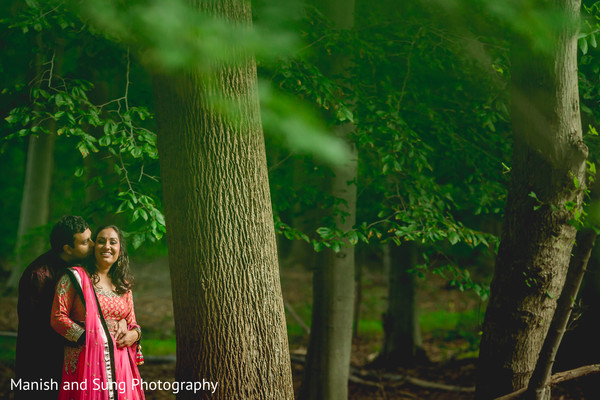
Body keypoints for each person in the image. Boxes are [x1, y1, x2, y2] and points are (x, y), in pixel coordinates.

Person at [50, 225, 145, 400]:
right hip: (86, 361)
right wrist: (90, 338)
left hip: (120, 363)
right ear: (94, 247)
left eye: (113, 242)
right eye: (101, 241)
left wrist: (134, 334)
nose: (107, 246)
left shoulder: (123, 285)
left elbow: (132, 322)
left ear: (119, 249)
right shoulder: (75, 277)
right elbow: (58, 317)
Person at [15, 216, 94, 400]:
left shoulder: (85, 267)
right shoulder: (38, 275)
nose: (92, 244)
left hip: (71, 357)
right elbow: (36, 330)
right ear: (67, 248)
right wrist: (84, 336)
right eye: (85, 242)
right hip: (42, 362)